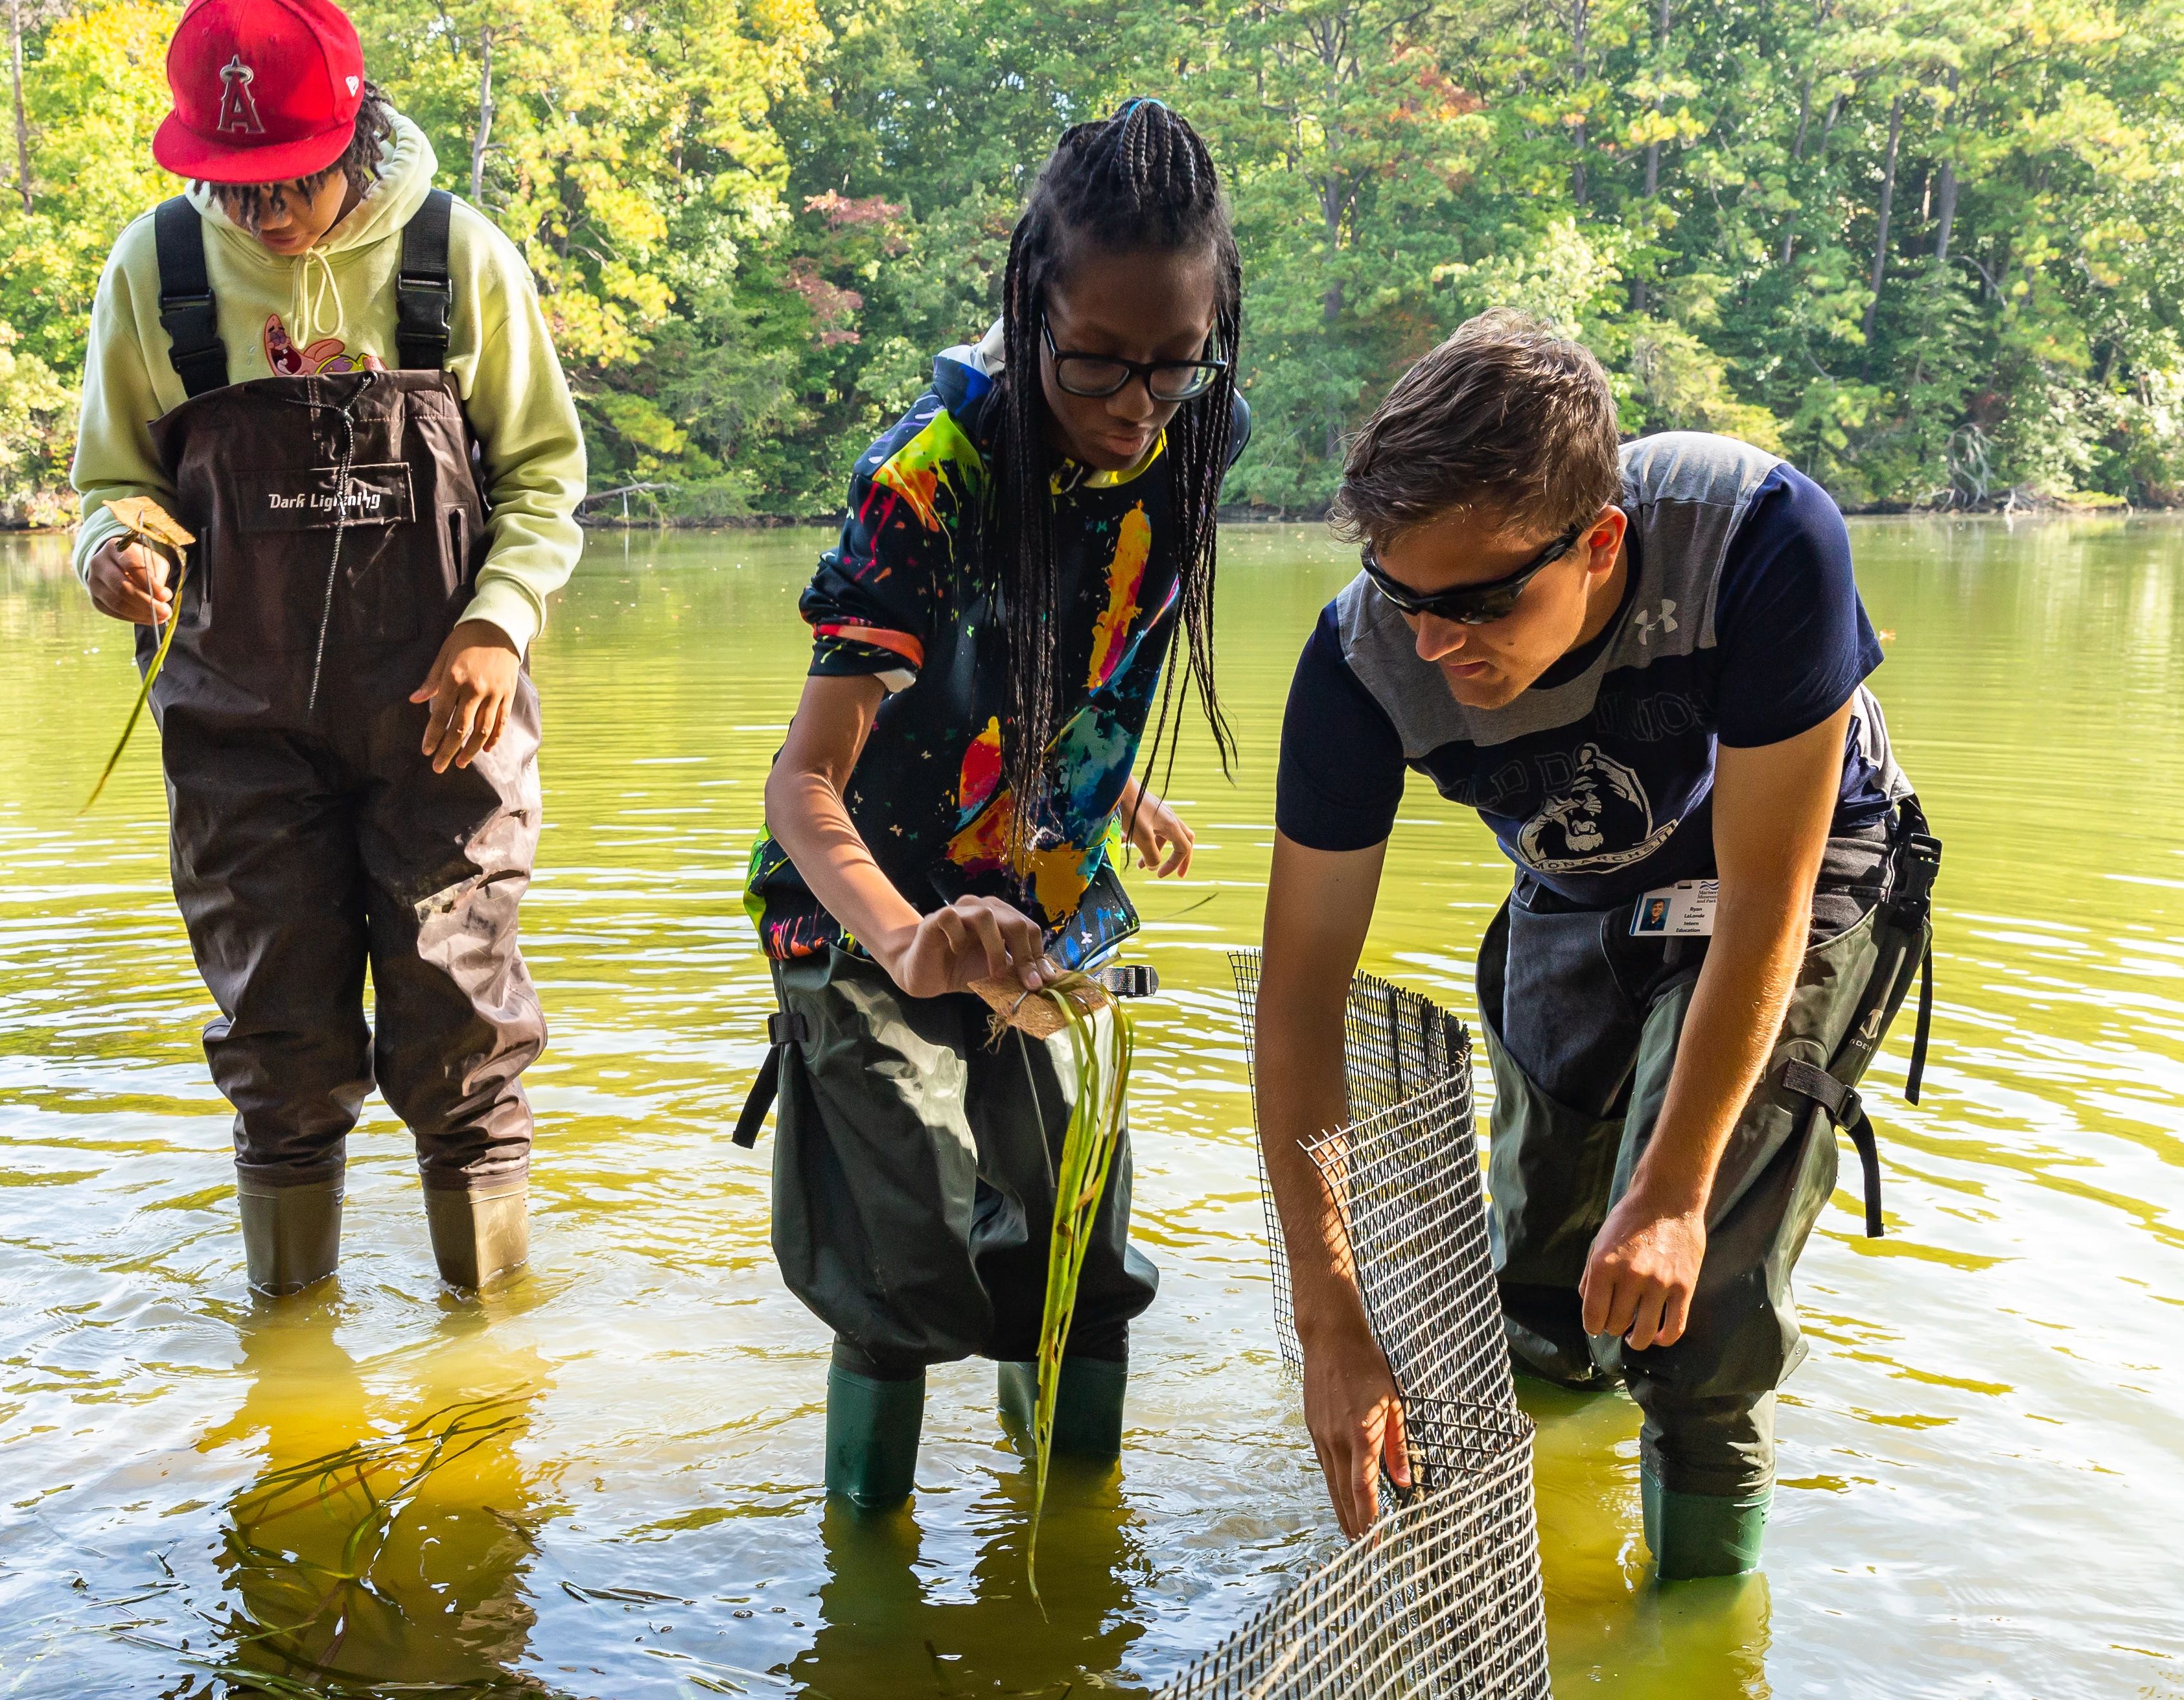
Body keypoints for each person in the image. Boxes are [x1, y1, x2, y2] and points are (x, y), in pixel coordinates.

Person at [1251, 314, 1936, 1579]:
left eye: (1480, 604)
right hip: (1576, 875)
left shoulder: (1763, 541)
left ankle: (1689, 1670)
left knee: (1696, 1307)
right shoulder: (1358, 667)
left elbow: (1763, 900)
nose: (1436, 647)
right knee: (1552, 1273)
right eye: (1406, 599)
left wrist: (1675, 1196)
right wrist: (1329, 1317)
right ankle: (1551, 1519)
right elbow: (1297, 1006)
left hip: (1799, 861)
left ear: (1601, 543)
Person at [741, 100, 1246, 1507]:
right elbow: (806, 783)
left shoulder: (1202, 437)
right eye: (1095, 364)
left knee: (1082, 1229)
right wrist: (906, 939)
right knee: (909, 1251)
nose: (1134, 409)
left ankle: (1072, 1558)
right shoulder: (929, 479)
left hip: (1042, 889)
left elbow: (1071, 633)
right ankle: (871, 1579)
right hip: (863, 908)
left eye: (1173, 368)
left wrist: (1105, 778)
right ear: (1030, 308)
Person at [69, 0, 587, 1297]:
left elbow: (541, 478)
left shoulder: (456, 254)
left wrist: (496, 624)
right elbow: (116, 481)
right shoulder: (156, 271)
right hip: (237, 729)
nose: (262, 212)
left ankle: (490, 1365)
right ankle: (290, 1348)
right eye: (231, 185)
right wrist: (114, 553)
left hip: (443, 722)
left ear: (354, 124)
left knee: (460, 1035)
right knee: (278, 1046)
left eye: (289, 177)